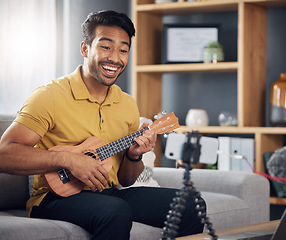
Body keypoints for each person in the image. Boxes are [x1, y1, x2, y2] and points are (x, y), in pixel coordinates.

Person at [0, 10, 205, 239]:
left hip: (108, 194)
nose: (115, 58)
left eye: (123, 50)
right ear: (85, 49)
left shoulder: (127, 104)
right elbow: (4, 154)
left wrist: (134, 155)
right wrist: (68, 160)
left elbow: (126, 180)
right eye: (106, 47)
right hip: (52, 199)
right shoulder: (50, 96)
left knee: (191, 203)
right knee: (115, 211)